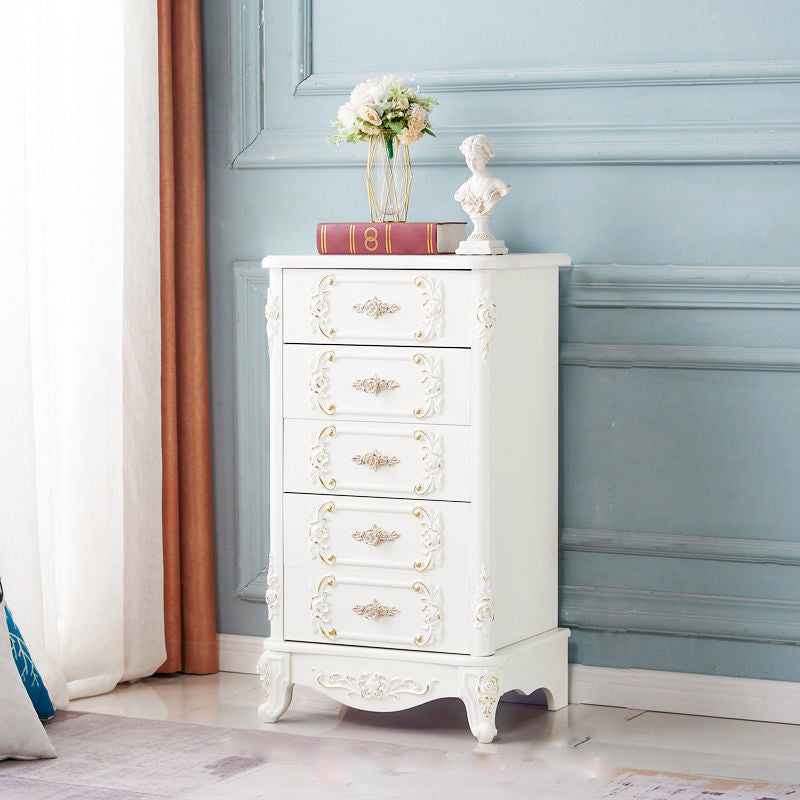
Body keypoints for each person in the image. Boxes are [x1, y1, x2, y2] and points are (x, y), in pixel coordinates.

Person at [454, 135, 511, 219]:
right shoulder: (463, 189)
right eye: (469, 159)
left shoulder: (499, 185)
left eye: (476, 159)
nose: (472, 164)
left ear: (486, 158)